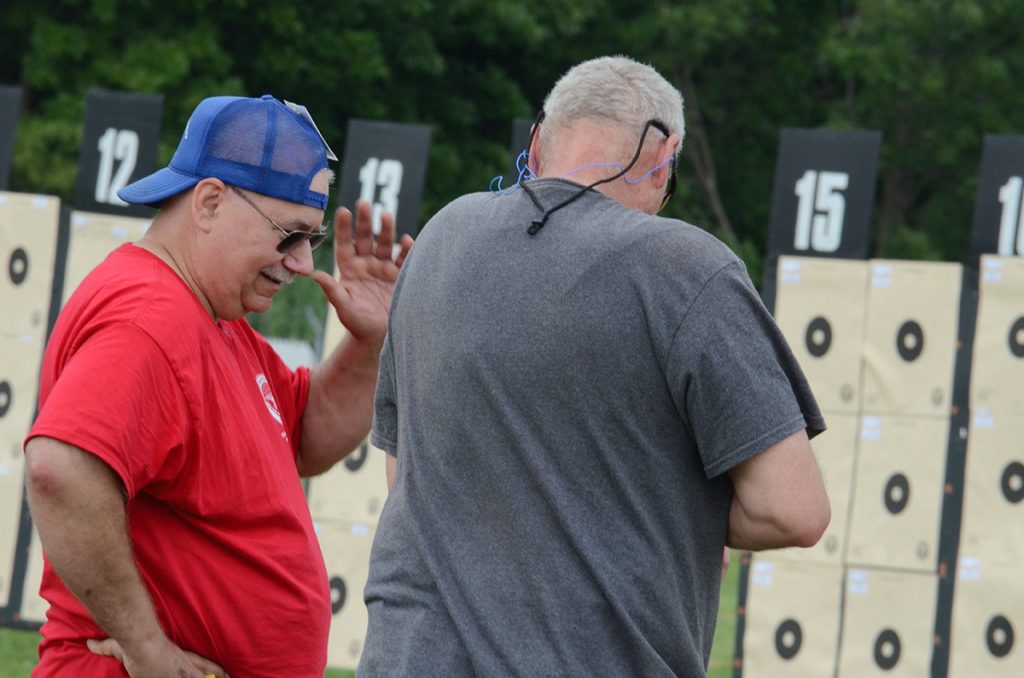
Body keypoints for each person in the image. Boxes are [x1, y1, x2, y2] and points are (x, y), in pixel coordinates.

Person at [358, 56, 830, 677]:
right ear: (664, 158)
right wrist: (662, 519)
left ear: (538, 141)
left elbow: (408, 474)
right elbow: (794, 508)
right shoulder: (688, 268)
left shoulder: (440, 237)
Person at [23, 94, 412, 678]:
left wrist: (368, 345)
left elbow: (303, 436)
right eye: (289, 234)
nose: (304, 263)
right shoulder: (150, 318)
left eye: (313, 239)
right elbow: (60, 469)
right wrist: (148, 648)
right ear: (208, 202)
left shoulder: (208, 314)